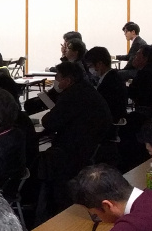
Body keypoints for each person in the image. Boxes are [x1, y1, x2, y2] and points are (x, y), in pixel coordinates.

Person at [37, 61, 112, 216]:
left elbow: (50, 122)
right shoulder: (86, 90)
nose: (55, 81)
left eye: (58, 78)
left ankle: (51, 210)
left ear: (68, 80)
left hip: (74, 150)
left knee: (43, 162)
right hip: (92, 145)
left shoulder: (73, 95)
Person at [87, 46, 128, 123]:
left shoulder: (110, 82)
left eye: (90, 66)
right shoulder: (112, 77)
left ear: (99, 64)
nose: (90, 69)